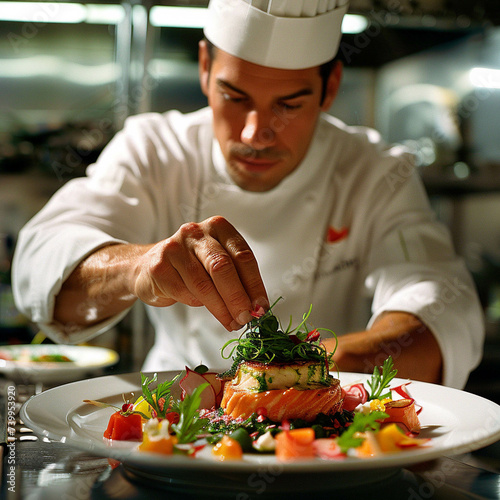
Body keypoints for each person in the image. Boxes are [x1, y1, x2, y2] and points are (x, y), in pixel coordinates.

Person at [12, 0, 483, 389]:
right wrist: (138, 268)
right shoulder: (153, 149)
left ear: (330, 87)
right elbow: (41, 264)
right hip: (176, 423)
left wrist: (283, 373)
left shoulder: (376, 171)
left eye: (289, 104)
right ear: (203, 68)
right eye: (234, 97)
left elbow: (439, 312)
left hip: (328, 440)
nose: (257, 133)